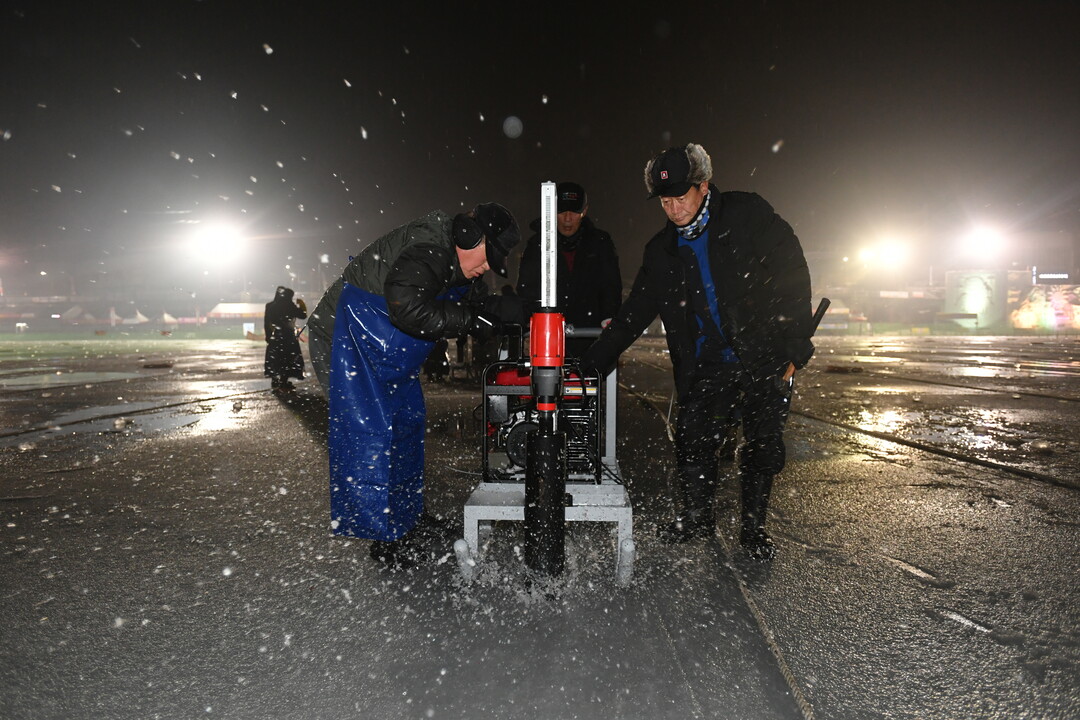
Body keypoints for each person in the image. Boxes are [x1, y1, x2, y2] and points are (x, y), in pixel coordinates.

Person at [580, 144, 815, 561]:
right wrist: (595, 361)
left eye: (681, 197)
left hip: (764, 355)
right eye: (665, 201)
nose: (673, 209)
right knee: (692, 441)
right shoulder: (662, 251)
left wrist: (794, 341)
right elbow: (635, 313)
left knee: (763, 445)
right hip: (707, 364)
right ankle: (696, 518)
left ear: (704, 185)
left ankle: (753, 528)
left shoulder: (746, 215)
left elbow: (791, 270)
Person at [307, 204, 527, 567]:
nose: (488, 266)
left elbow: (474, 305)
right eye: (490, 257)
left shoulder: (459, 264)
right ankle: (386, 538)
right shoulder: (430, 250)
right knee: (374, 435)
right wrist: (474, 321)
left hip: (380, 347)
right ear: (470, 236)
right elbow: (407, 308)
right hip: (347, 341)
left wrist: (503, 309)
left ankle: (408, 518)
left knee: (406, 426)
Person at [516, 181, 622, 358]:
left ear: (584, 211)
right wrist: (531, 320)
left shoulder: (600, 244)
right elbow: (527, 288)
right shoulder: (537, 245)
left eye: (573, 212)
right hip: (548, 338)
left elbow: (611, 286)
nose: (567, 218)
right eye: (561, 211)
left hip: (590, 337)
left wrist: (609, 317)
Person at [263, 286, 307, 392]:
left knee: (275, 358)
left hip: (276, 335)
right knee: (288, 359)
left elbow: (266, 322)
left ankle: (275, 379)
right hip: (288, 336)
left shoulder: (270, 306)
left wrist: (268, 335)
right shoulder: (289, 305)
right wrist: (302, 305)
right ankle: (283, 381)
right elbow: (303, 315)